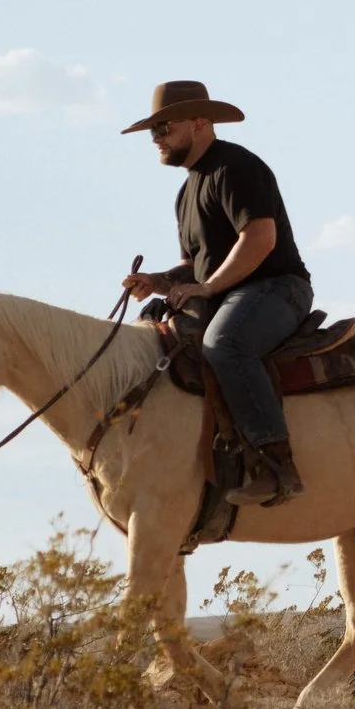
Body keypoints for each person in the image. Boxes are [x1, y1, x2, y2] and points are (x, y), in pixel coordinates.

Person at [120, 80, 314, 506]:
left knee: (224, 344)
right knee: (151, 333)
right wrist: (159, 281)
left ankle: (276, 465)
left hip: (278, 288)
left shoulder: (235, 168)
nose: (156, 138)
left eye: (163, 127)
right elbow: (194, 265)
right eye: (152, 131)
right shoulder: (186, 192)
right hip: (228, 295)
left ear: (200, 123)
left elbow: (260, 238)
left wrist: (206, 287)